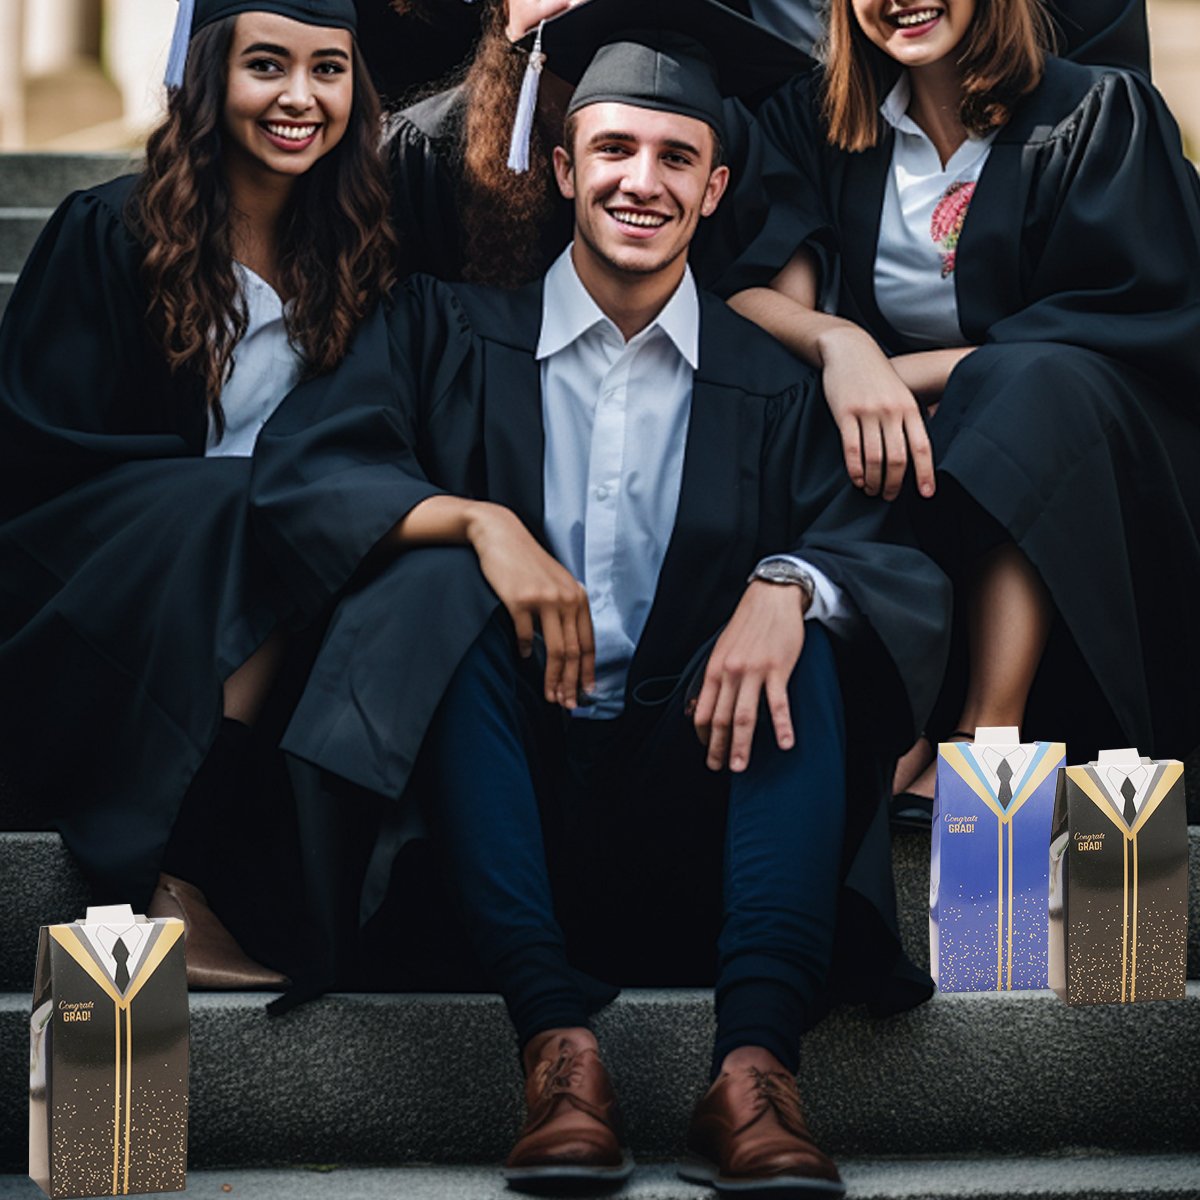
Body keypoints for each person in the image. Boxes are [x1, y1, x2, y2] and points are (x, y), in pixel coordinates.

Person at [250, 2, 950, 1191]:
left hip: (700, 808)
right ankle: (558, 1055)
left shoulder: (771, 386)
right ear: (565, 166)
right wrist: (482, 524)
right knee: (432, 587)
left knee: (813, 627)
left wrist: (789, 584)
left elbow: (883, 550)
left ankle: (755, 1073)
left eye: (677, 158)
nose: (643, 182)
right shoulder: (443, 331)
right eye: (615, 151)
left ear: (718, 188)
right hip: (495, 809)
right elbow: (313, 474)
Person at [719, 0, 1200, 821]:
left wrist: (909, 371)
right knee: (829, 419)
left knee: (1030, 391)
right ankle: (897, 720)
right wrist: (842, 344)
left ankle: (987, 731)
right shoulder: (818, 123)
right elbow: (750, 298)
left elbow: (1129, 325)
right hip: (919, 452)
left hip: (1102, 465)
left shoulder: (1097, 114)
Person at [0, 0, 396, 984]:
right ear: (213, 75)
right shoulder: (108, 230)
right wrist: (242, 500)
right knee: (253, 502)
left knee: (329, 532)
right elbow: (38, 464)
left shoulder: (356, 259)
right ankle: (167, 877)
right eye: (268, 65)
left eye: (329, 69)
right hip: (87, 595)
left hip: (269, 587)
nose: (300, 97)